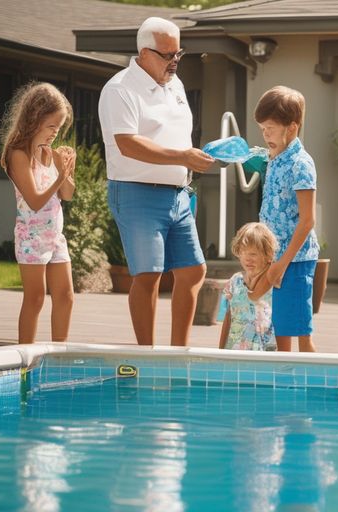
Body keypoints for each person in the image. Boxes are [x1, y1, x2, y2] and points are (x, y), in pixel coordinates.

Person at [98, 17, 214, 346]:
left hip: (177, 194)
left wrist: (195, 158)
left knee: (193, 271)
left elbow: (176, 136)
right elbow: (127, 143)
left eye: (179, 53)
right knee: (148, 275)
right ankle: (146, 355)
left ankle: (178, 353)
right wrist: (182, 157)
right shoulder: (119, 89)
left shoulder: (175, 86)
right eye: (168, 55)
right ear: (144, 52)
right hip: (135, 193)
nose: (175, 61)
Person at [0, 82, 76, 344]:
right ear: (35, 119)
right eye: (51, 126)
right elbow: (33, 201)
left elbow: (66, 195)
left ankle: (59, 357)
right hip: (31, 238)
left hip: (55, 236)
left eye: (59, 127)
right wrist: (59, 177)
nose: (56, 132)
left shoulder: (48, 153)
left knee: (65, 296)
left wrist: (66, 171)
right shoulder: (18, 154)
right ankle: (25, 361)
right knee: (35, 298)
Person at [254, 85, 320, 352]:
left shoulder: (300, 164)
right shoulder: (275, 157)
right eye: (262, 129)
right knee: (278, 327)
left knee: (297, 331)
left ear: (291, 128)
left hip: (295, 260)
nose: (266, 134)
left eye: (270, 128)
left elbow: (307, 221)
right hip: (274, 257)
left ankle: (310, 385)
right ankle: (285, 383)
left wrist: (282, 264)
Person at [219, 222, 278, 351]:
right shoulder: (235, 281)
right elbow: (228, 318)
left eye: (253, 254)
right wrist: (221, 350)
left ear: (267, 255)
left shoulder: (273, 282)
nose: (247, 259)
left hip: (264, 351)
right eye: (243, 252)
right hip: (235, 349)